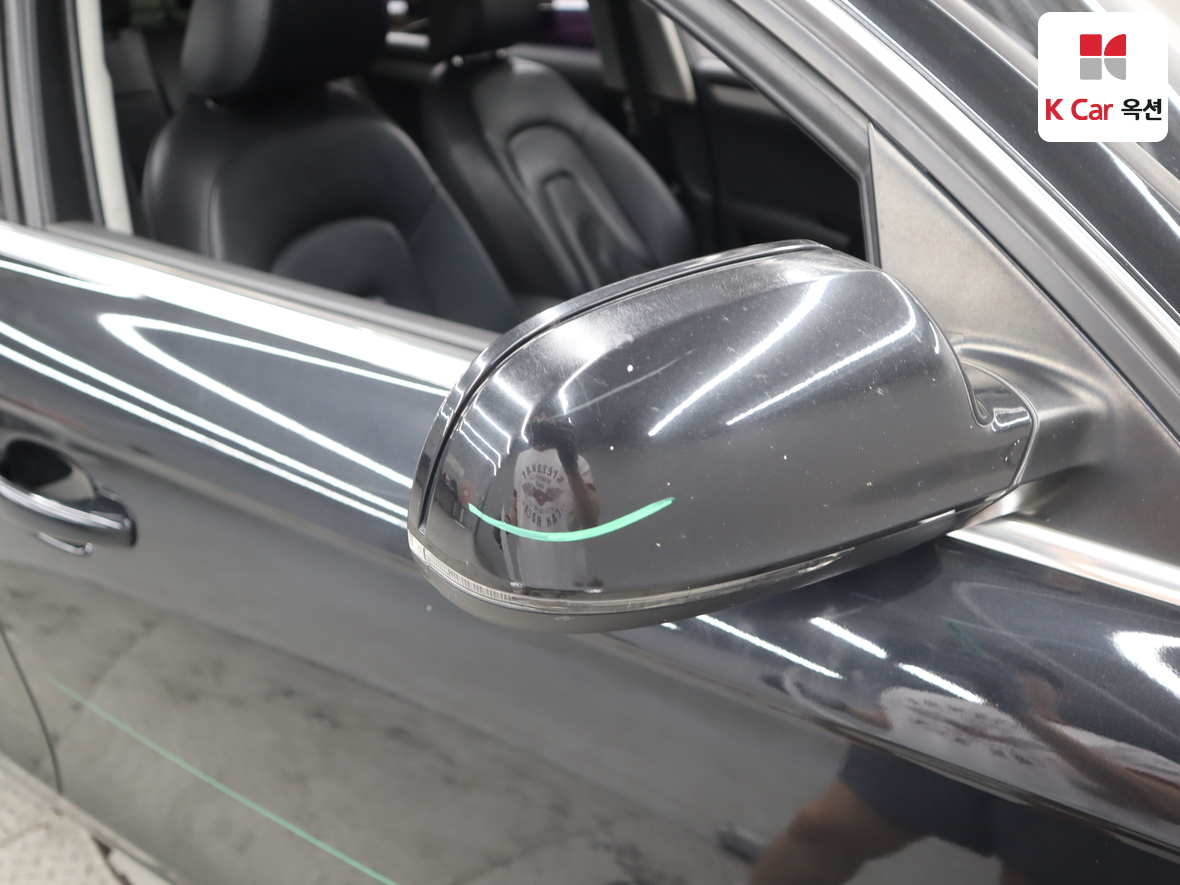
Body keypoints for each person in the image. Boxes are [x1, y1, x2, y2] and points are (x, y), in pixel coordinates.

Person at [507, 410, 600, 589]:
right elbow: (516, 508)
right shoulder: (522, 459)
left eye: (548, 419)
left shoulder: (579, 463)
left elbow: (590, 522)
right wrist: (505, 523)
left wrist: (571, 468)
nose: (543, 424)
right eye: (539, 419)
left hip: (568, 577)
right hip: (529, 573)